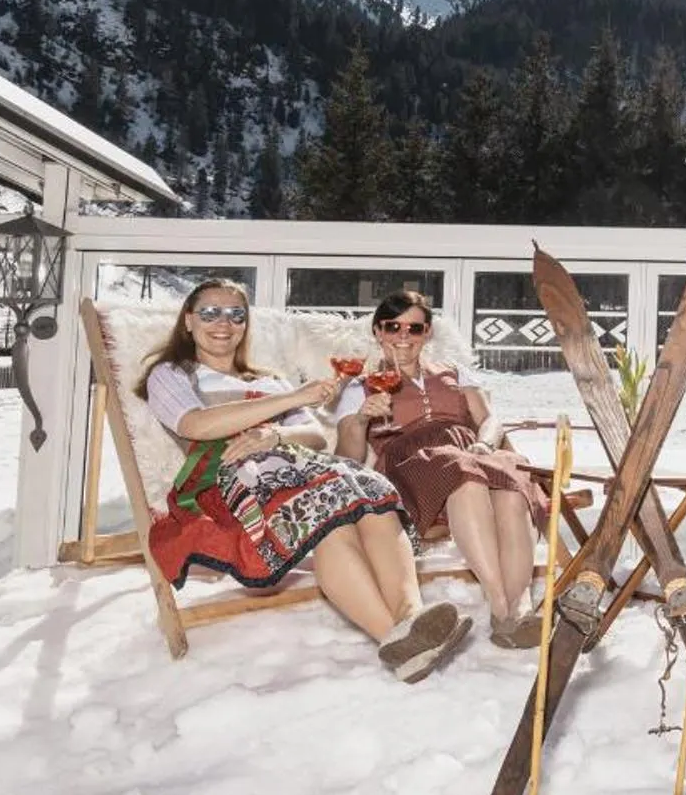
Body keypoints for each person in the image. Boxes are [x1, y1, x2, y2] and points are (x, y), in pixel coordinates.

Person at [138, 280, 472, 681]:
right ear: (188, 321)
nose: (223, 322)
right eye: (210, 312)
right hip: (230, 475)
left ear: (245, 325)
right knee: (329, 510)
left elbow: (313, 437)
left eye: (236, 314)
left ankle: (411, 618)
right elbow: (195, 423)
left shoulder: (268, 378)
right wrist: (291, 400)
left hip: (299, 468)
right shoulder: (173, 374)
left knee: (371, 489)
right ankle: (393, 637)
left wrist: (274, 434)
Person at [335, 291, 550, 651]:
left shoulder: (454, 372)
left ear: (427, 333)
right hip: (411, 461)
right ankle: (499, 604)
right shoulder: (359, 386)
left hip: (471, 450)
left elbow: (489, 420)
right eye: (393, 326)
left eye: (414, 328)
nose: (404, 336)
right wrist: (360, 418)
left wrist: (484, 443)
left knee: (510, 485)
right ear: (378, 331)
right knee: (459, 471)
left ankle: (518, 607)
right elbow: (348, 457)